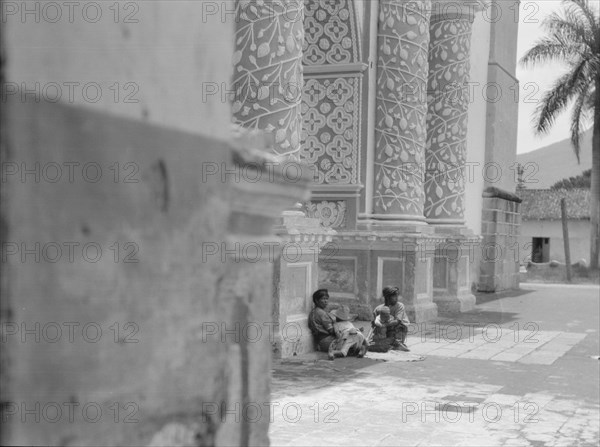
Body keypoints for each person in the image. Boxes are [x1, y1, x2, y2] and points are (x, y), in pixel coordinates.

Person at [372, 286, 410, 352]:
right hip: (385, 332)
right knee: (377, 336)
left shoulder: (399, 306)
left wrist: (384, 325)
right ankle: (390, 343)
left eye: (397, 296)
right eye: (394, 296)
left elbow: (397, 321)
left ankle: (397, 343)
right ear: (387, 297)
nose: (397, 298)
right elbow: (374, 324)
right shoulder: (378, 309)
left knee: (400, 326)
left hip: (398, 330)